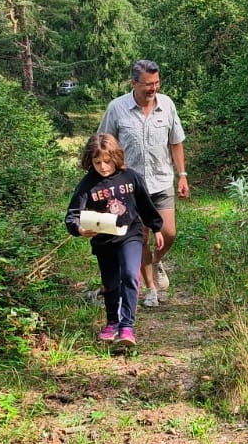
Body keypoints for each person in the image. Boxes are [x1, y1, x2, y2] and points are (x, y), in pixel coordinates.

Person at [98, 61, 188, 308]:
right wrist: (106, 178)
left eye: (157, 83)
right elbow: (103, 143)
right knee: (141, 237)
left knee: (169, 233)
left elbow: (176, 141)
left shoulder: (167, 105)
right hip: (130, 187)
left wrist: (182, 174)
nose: (153, 88)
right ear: (134, 83)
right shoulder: (117, 108)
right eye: (148, 84)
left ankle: (155, 262)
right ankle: (150, 289)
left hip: (161, 181)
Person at [65, 133, 164, 349]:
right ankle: (112, 322)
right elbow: (72, 215)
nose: (103, 166)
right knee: (110, 283)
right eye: (97, 162)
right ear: (90, 161)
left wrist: (156, 228)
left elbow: (145, 205)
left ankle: (126, 327)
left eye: (107, 161)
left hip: (130, 234)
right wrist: (79, 229)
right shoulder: (87, 184)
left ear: (116, 157)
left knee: (129, 274)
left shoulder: (131, 177)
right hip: (103, 241)